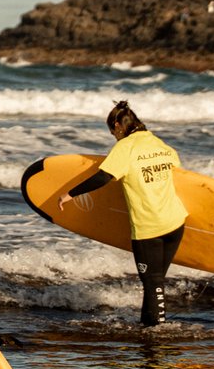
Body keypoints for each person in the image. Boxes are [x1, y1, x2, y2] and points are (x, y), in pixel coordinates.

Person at [58, 100, 187, 327]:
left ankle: (158, 335)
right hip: (176, 222)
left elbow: (103, 177)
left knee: (153, 283)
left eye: (112, 132)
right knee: (155, 282)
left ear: (118, 125)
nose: (114, 137)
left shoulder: (125, 148)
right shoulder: (156, 142)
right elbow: (176, 167)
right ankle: (149, 329)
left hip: (150, 228)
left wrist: (70, 194)